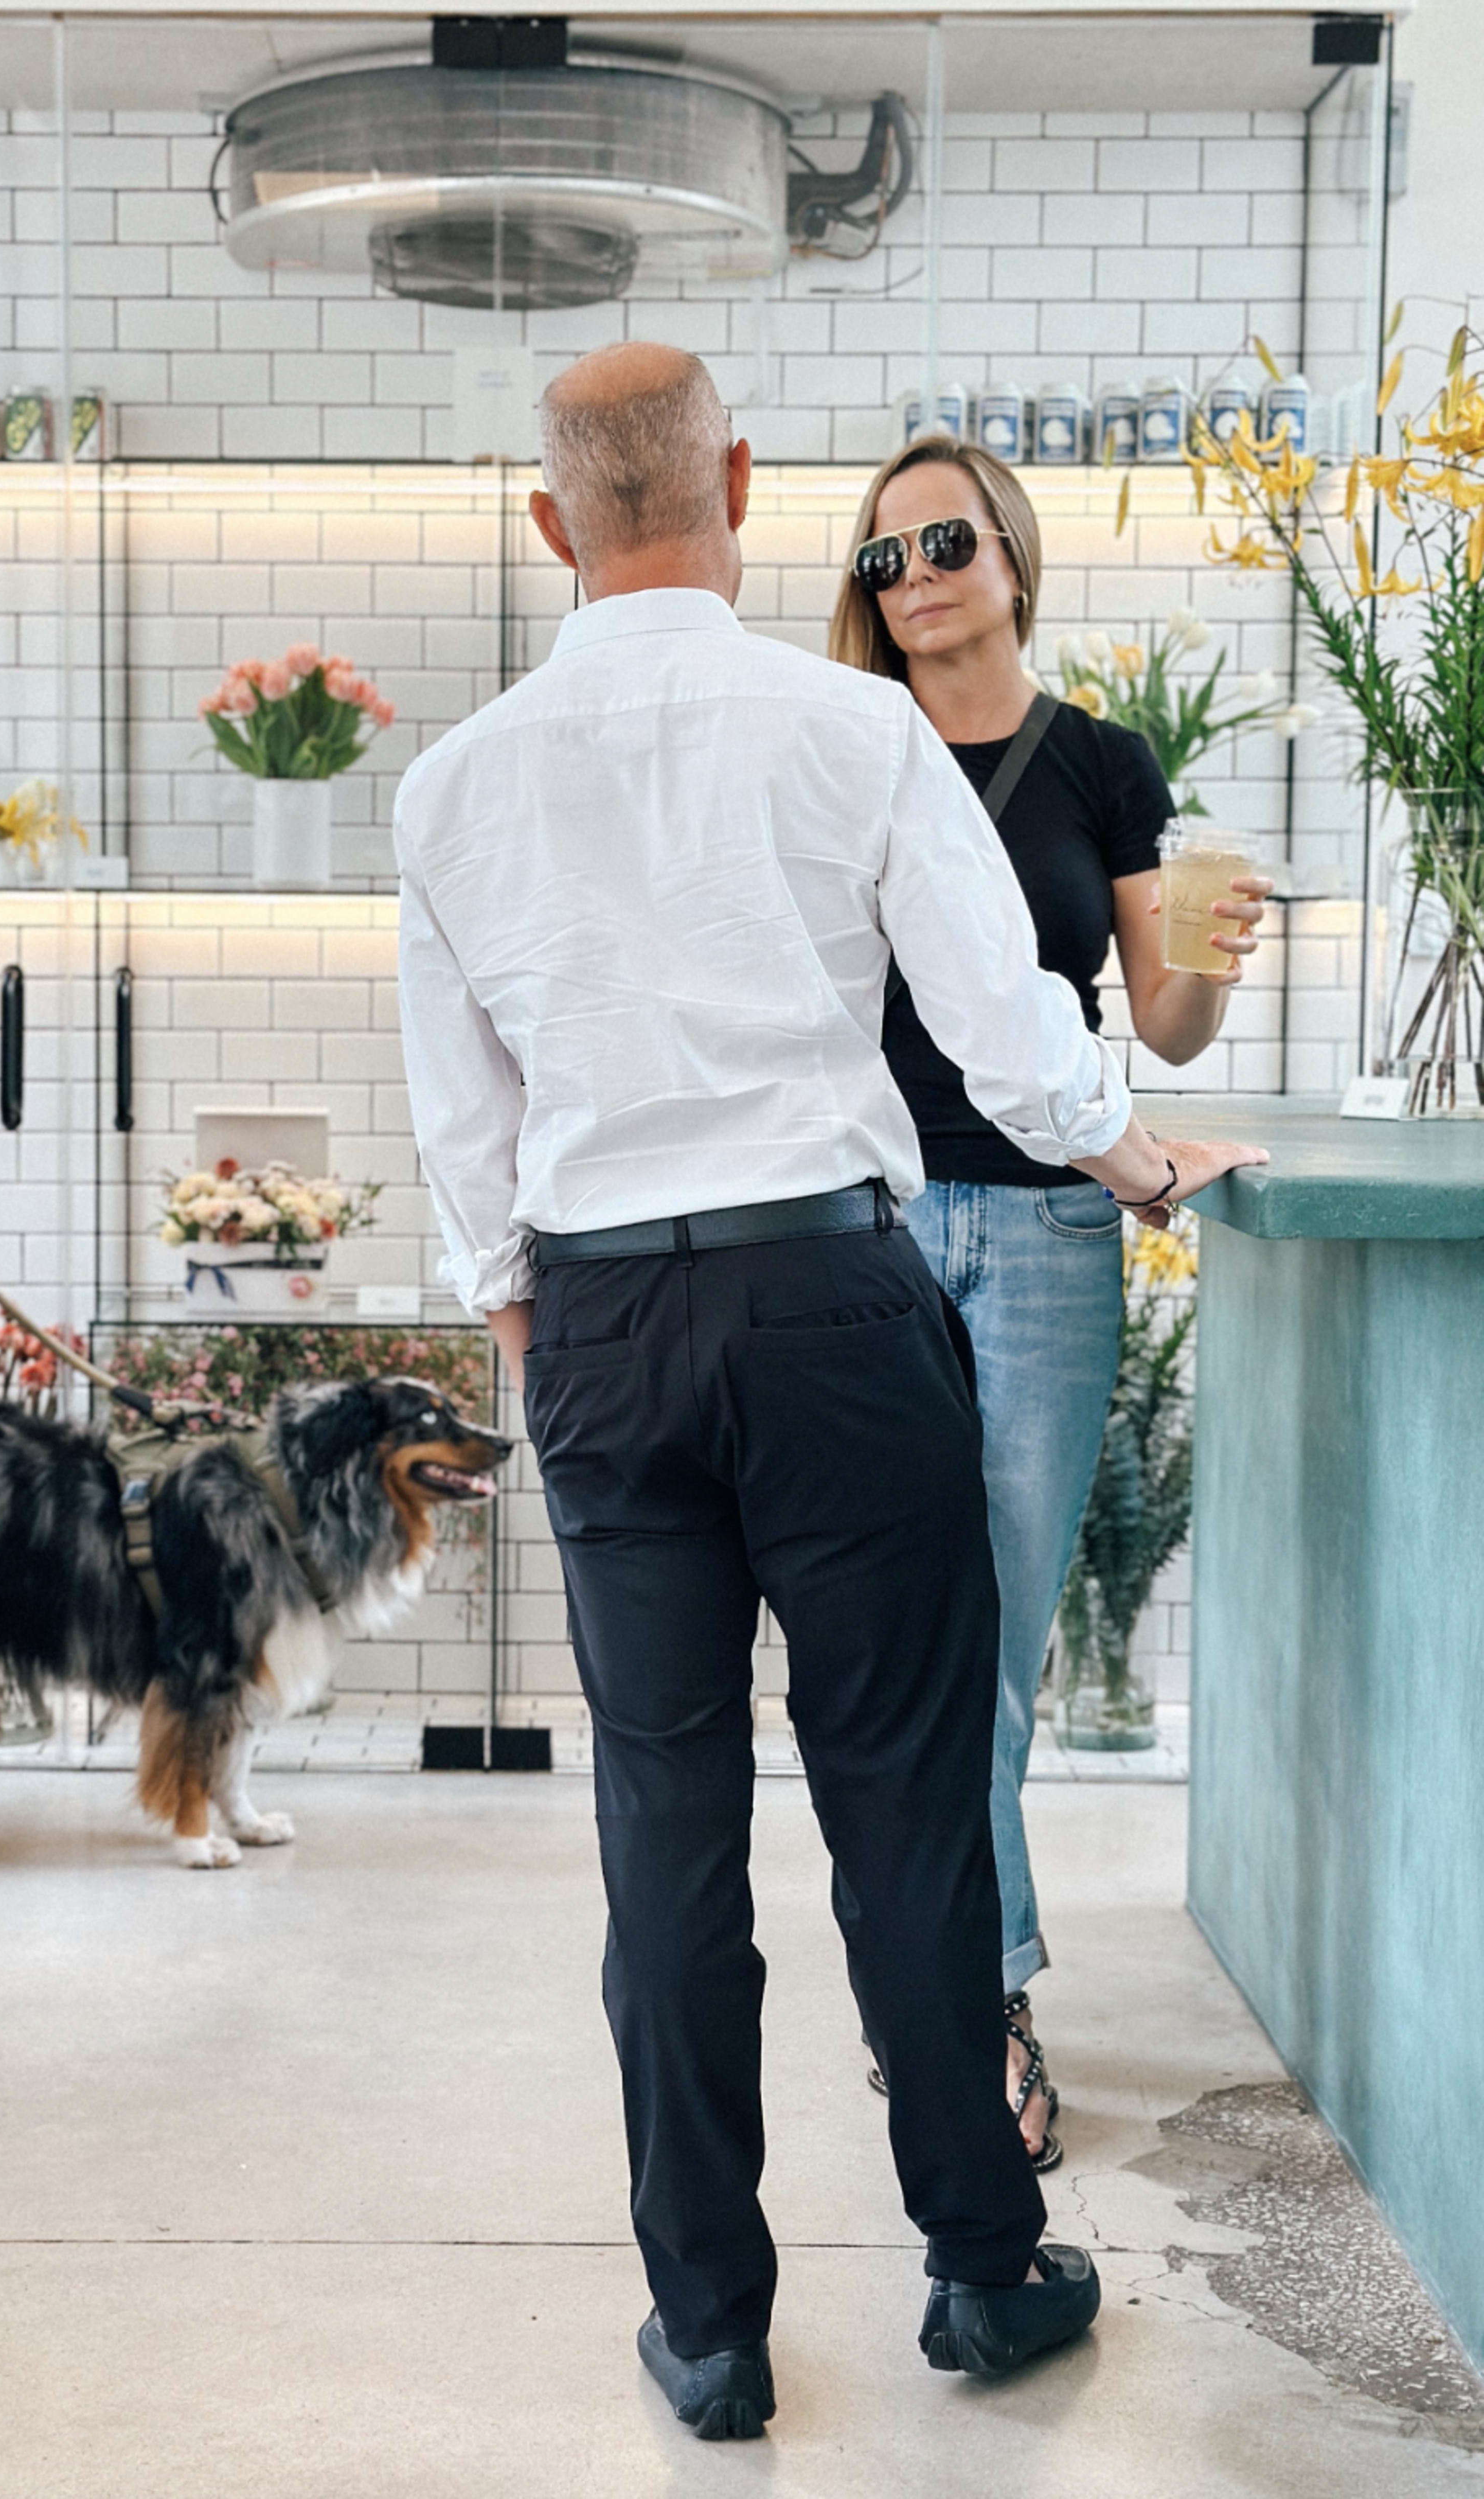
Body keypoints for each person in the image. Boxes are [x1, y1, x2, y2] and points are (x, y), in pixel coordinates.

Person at [392, 343, 1267, 2437]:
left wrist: (541, 1330)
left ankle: (707, 2330)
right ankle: (981, 2267)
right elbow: (1008, 1042)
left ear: (550, 529)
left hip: (605, 1327)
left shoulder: (451, 786)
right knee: (902, 1802)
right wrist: (1127, 1146)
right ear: (747, 489)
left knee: (663, 1836)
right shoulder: (852, 732)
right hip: (836, 1308)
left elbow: (465, 1134)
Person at [830, 437, 1272, 2168]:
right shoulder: (848, 749)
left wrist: (1219, 960)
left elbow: (1160, 1025)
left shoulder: (1100, 763)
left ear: (1009, 548)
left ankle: (967, 1997)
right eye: (885, 558)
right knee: (899, 1652)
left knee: (998, 1648)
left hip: (1042, 1234)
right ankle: (959, 1995)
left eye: (945, 539)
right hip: (861, 1232)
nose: (917, 573)